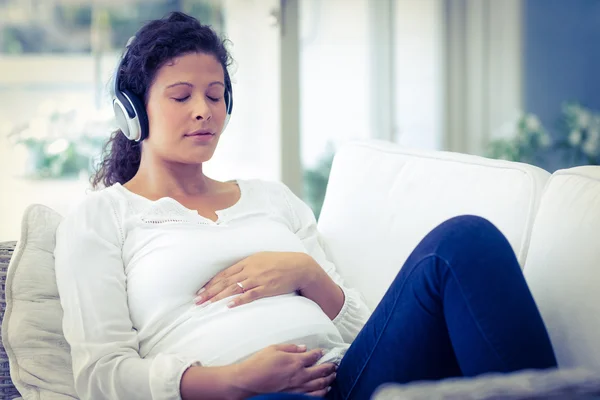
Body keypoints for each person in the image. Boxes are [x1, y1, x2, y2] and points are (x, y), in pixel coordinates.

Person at [54, 12, 557, 400]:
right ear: (133, 112)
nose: (204, 110)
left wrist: (306, 273)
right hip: (245, 395)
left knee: (463, 241)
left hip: (353, 379)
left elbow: (362, 331)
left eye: (215, 94)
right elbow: (100, 374)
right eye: (180, 96)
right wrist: (232, 379)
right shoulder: (101, 219)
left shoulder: (271, 198)